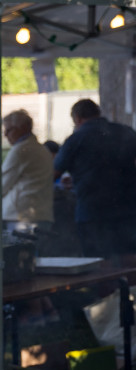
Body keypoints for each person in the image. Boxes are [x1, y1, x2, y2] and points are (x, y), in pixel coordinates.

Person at [53, 98, 136, 261]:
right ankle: (131, 286)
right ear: (98, 113)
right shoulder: (126, 131)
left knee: (99, 262)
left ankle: (109, 287)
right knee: (130, 258)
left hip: (93, 211)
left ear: (77, 118)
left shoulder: (76, 139)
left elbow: (55, 172)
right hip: (128, 208)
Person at [0, 109, 53, 234]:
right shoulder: (42, 149)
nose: (6, 135)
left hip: (21, 215)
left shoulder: (20, 150)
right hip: (42, 213)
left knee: (21, 252)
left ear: (23, 128)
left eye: (9, 130)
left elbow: (1, 185)